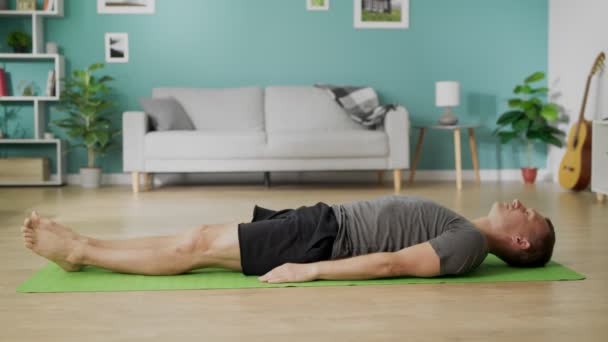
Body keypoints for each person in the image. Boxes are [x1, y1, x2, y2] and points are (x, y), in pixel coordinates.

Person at [20, 195, 555, 284]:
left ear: (523, 245)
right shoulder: (466, 229)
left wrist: (310, 269)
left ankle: (78, 252)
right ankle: (86, 244)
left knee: (197, 249)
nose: (518, 204)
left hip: (324, 239)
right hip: (325, 220)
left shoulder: (468, 246)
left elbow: (393, 264)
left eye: (526, 215)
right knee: (199, 237)